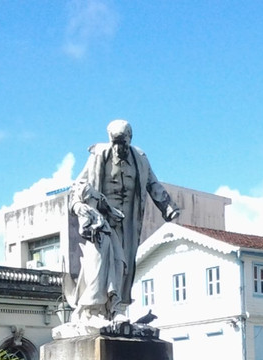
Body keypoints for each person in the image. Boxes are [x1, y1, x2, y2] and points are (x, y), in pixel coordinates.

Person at [65, 120, 180, 326]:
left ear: (130, 139)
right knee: (101, 262)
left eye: (123, 143)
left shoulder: (140, 159)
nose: (119, 148)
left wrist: (167, 206)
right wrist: (79, 207)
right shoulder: (99, 156)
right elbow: (78, 185)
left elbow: (152, 183)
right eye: (115, 143)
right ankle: (95, 309)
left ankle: (117, 308)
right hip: (102, 220)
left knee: (123, 264)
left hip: (127, 220)